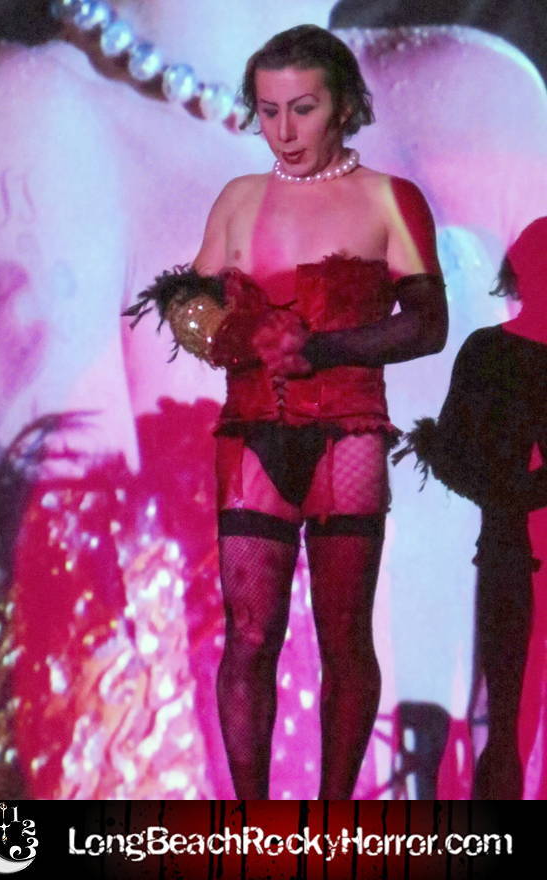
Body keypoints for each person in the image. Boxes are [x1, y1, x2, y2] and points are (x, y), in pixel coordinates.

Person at [186, 24, 448, 799]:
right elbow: (188, 309)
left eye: (303, 109)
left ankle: (333, 822)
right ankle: (252, 825)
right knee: (249, 637)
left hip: (347, 434)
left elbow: (428, 324)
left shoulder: (389, 199)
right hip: (252, 432)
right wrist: (235, 334)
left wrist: (323, 347)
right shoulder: (239, 199)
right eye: (269, 112)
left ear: (344, 107)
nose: (285, 131)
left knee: (343, 639)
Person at [394, 218, 547, 798]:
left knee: (506, 716)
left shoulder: (491, 351)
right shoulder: (489, 351)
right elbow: (451, 453)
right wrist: (511, 496)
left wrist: (506, 494)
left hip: (508, 550)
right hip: (509, 557)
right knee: (506, 716)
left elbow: (449, 453)